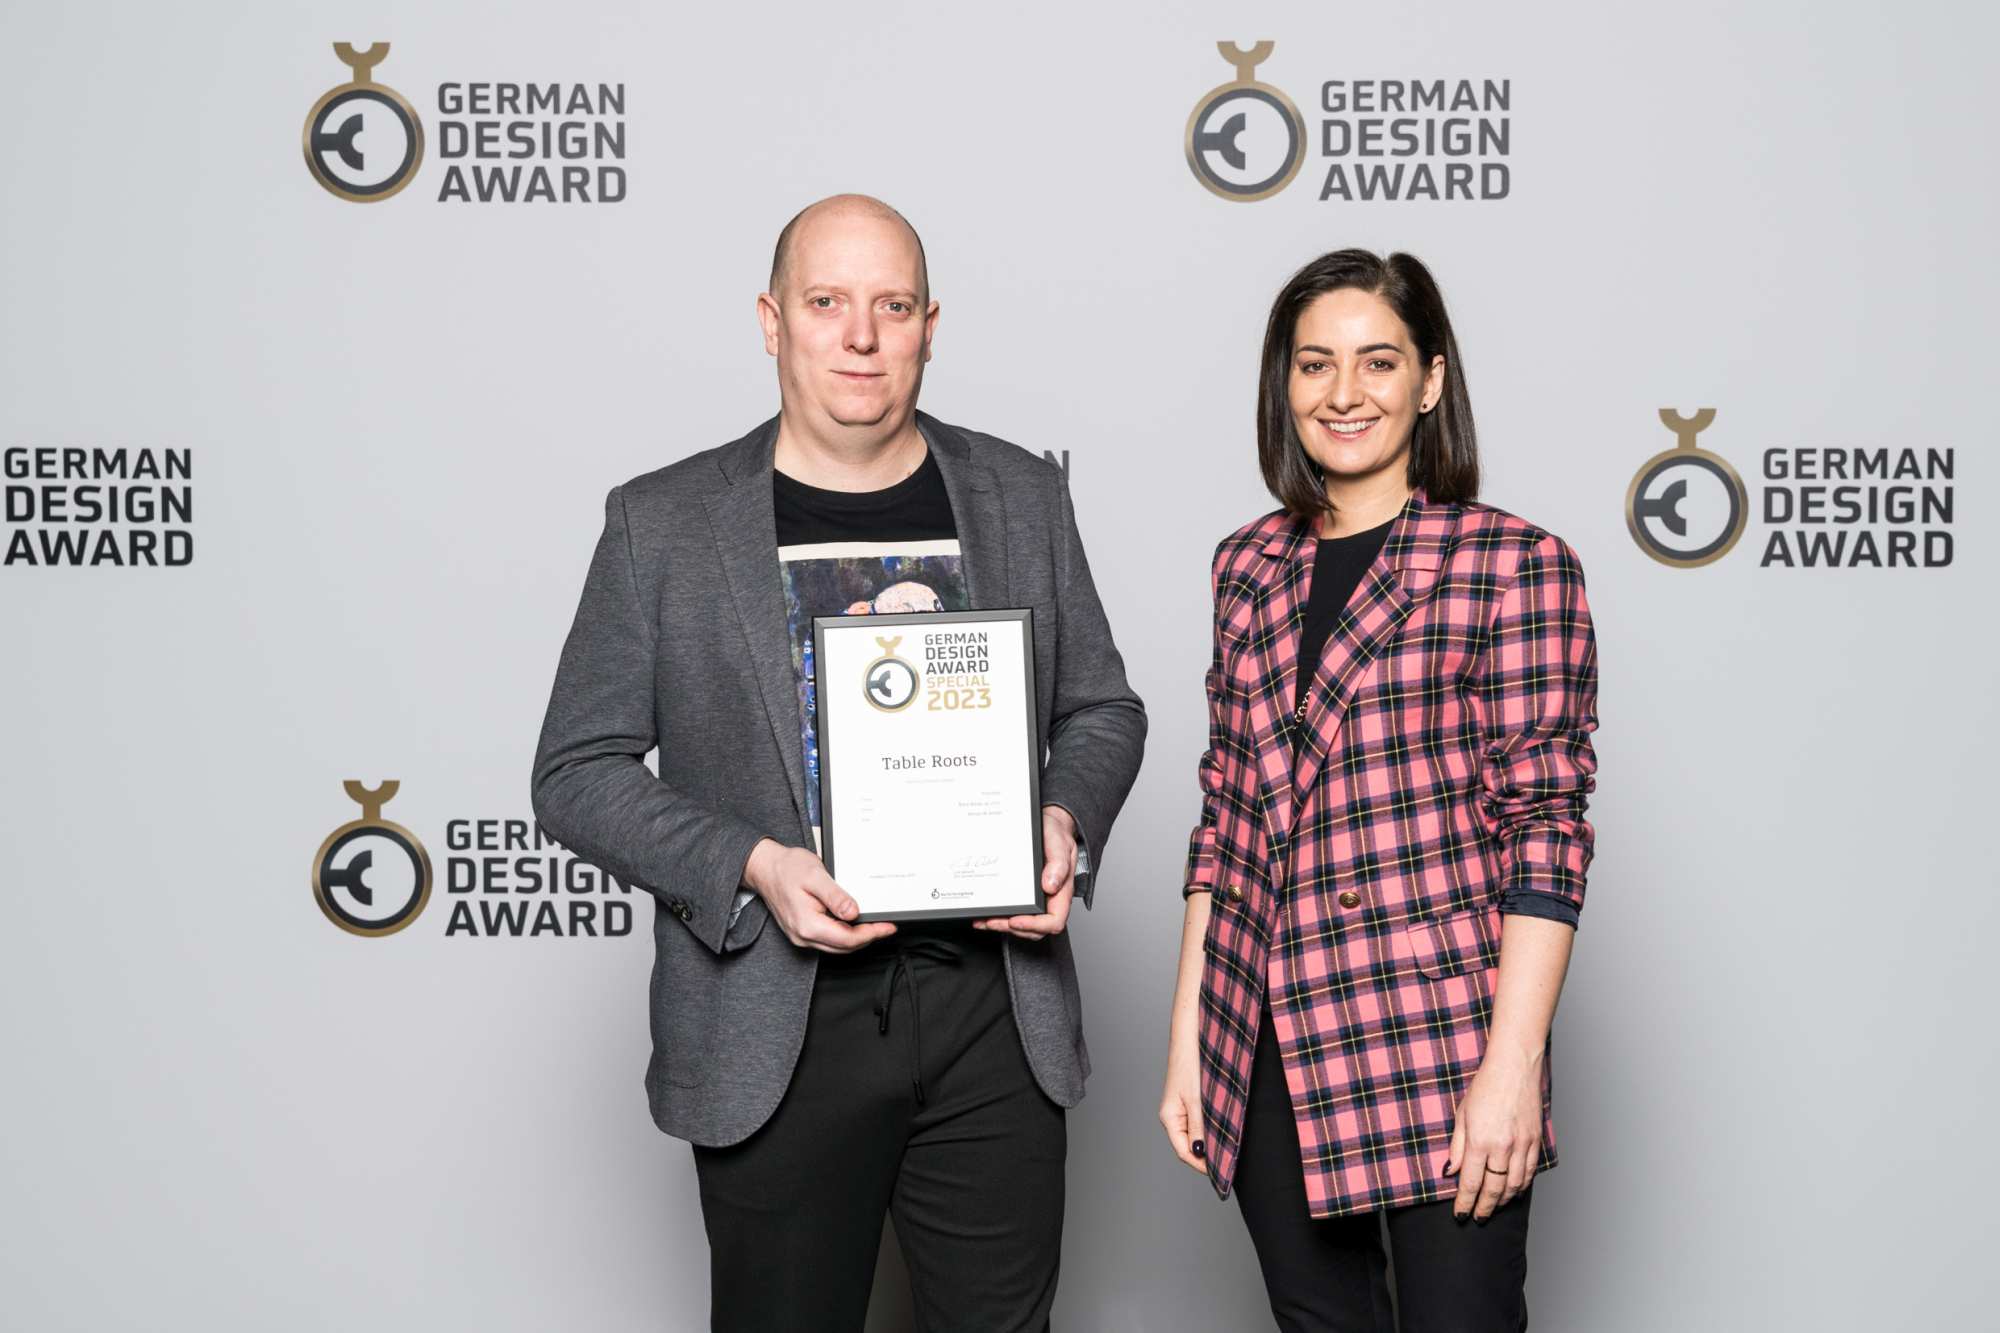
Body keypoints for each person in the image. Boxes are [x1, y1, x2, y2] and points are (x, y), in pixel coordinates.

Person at [531, 194, 1146, 1332]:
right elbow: (576, 769)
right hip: (776, 1013)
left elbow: (1102, 708)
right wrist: (752, 864)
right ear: (772, 321)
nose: (860, 335)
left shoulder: (1020, 495)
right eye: (826, 302)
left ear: (929, 328)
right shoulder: (661, 523)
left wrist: (1062, 819)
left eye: (892, 306)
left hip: (992, 1012)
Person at [1157, 249, 1599, 1332]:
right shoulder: (1245, 566)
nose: (1343, 392)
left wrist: (1512, 1069)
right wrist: (1189, 1040)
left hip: (1436, 1035)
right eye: (1314, 364)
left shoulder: (1512, 563)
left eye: (1377, 361)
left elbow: (1545, 831)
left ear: (1430, 380)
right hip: (1265, 1030)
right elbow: (1225, 819)